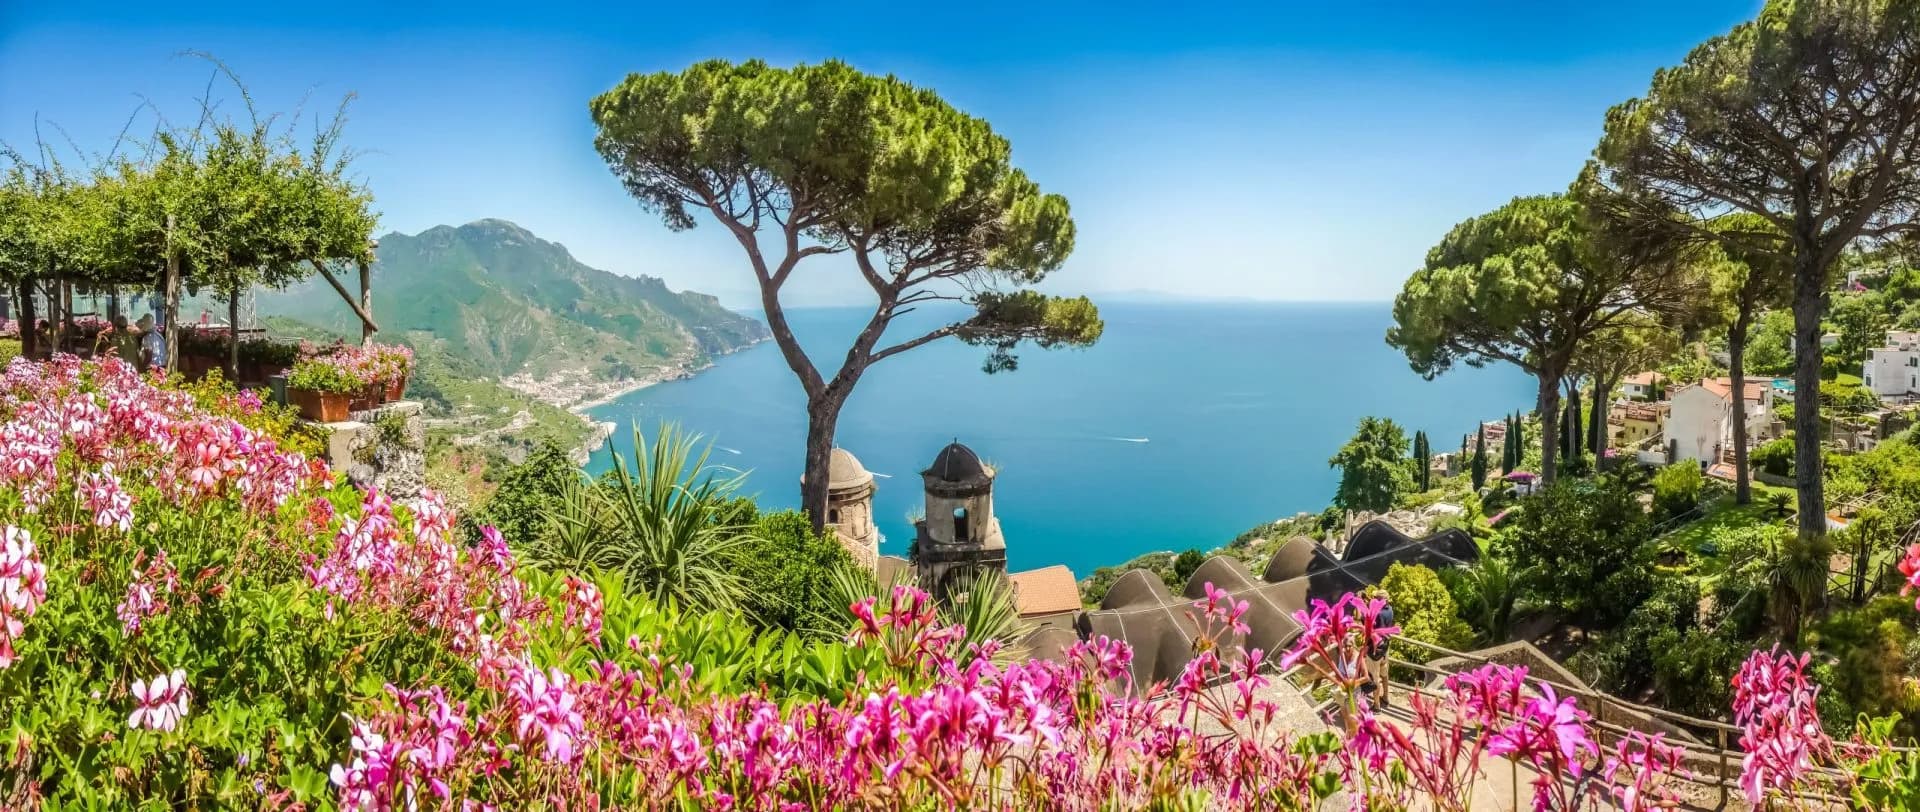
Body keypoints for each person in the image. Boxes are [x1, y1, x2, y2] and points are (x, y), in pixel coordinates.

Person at [1361, 585, 1396, 708]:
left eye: (1375, 597)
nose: (1373, 598)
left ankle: (1376, 705)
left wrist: (1365, 606)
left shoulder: (1377, 613)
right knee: (1385, 675)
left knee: (1374, 678)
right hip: (1385, 647)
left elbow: (1367, 624)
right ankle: (1386, 697)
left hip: (1374, 651)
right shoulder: (1390, 609)